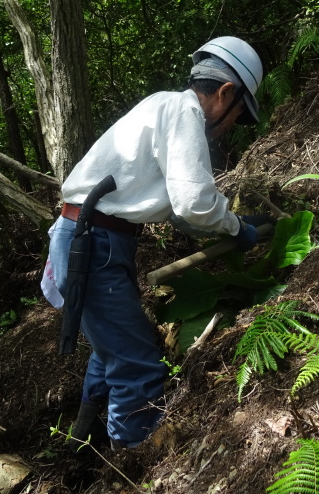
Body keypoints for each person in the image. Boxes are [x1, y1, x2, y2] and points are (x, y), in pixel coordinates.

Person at [40, 36, 273, 451]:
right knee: (137, 368)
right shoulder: (184, 114)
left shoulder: (160, 105)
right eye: (238, 113)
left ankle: (79, 445)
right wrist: (237, 229)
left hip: (86, 237)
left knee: (109, 351)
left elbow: (180, 210)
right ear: (224, 93)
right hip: (95, 245)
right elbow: (194, 202)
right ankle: (129, 461)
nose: (233, 124)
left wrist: (229, 224)